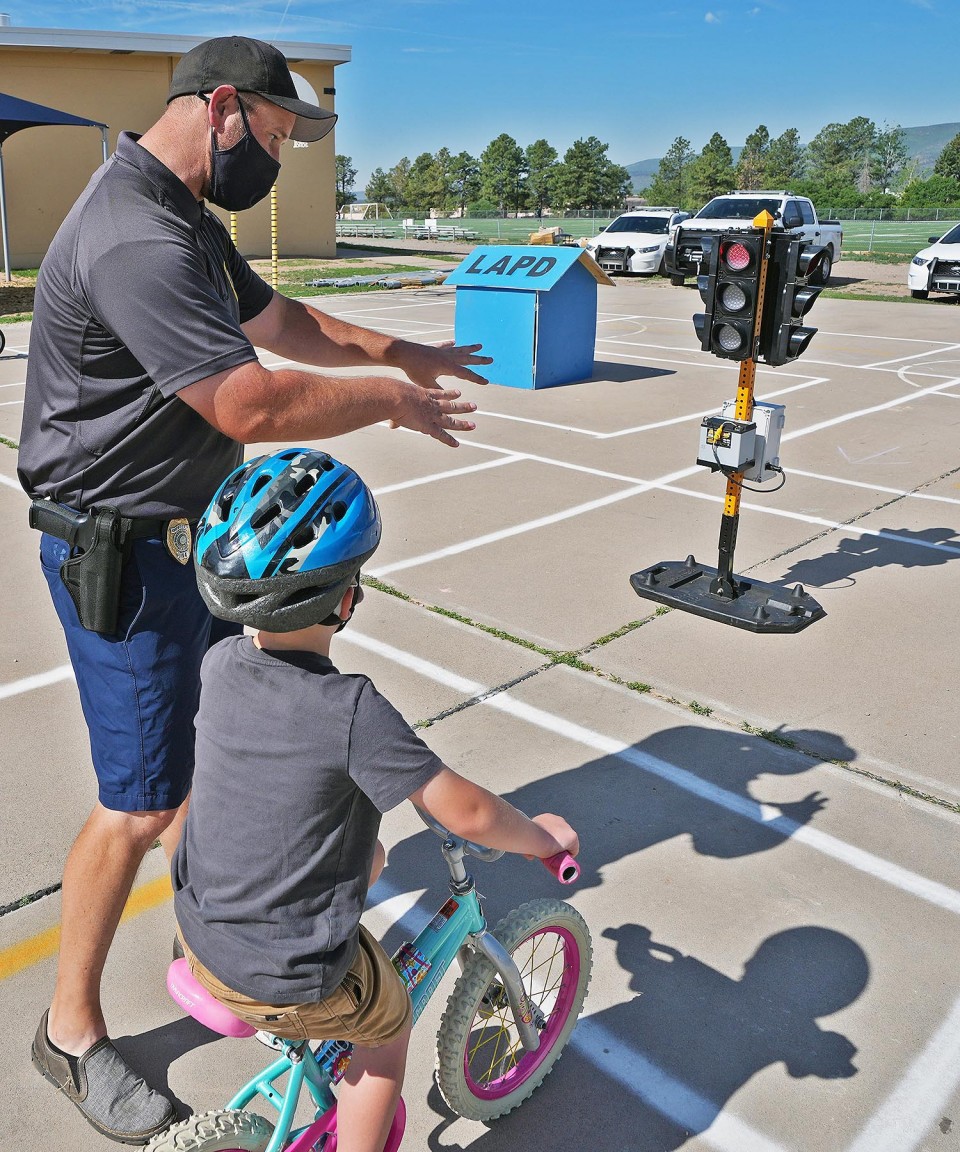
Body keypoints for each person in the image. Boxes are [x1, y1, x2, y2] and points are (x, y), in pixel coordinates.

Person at [19, 35, 490, 1144]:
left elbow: (282, 326)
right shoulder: (133, 230)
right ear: (221, 107)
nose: (277, 157)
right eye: (275, 135)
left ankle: (223, 945)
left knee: (204, 763)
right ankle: (71, 1033)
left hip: (185, 545)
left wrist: (403, 351)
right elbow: (249, 402)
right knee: (136, 803)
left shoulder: (183, 216)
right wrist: (382, 399)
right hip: (118, 555)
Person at [170, 447, 579, 1152]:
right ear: (348, 597)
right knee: (385, 1036)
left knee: (377, 849)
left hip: (200, 930)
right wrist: (544, 837)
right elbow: (469, 815)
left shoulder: (220, 664)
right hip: (284, 974)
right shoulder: (351, 711)